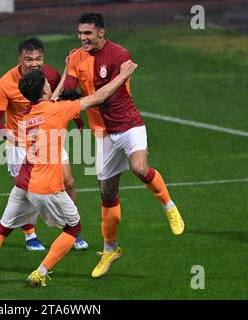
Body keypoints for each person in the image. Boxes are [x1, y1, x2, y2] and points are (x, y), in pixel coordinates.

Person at [0, 59, 138, 287]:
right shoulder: (57, 110)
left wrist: (67, 70)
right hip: (46, 186)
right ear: (45, 88)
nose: (50, 85)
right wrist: (123, 74)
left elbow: (50, 101)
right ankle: (40, 272)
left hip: (23, 183)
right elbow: (98, 97)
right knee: (73, 227)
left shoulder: (26, 116)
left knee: (2, 228)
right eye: (47, 83)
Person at [63, 12, 185, 278]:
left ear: (101, 33)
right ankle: (110, 249)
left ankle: (169, 206)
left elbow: (103, 96)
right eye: (80, 33)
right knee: (107, 193)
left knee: (140, 168)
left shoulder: (119, 55)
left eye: (88, 33)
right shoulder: (75, 57)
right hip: (102, 133)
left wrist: (78, 101)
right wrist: (65, 76)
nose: (83, 38)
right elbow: (70, 91)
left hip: (129, 125)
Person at [0, 38, 88, 251]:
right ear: (20, 59)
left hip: (49, 138)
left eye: (38, 58)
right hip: (20, 143)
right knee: (27, 189)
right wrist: (9, 137)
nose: (34, 63)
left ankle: (70, 231)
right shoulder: (5, 83)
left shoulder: (50, 75)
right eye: (29, 59)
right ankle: (30, 235)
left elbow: (62, 99)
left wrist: (79, 122)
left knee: (68, 182)